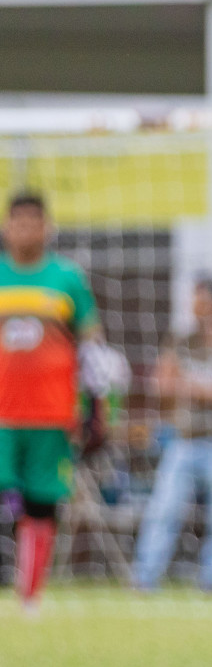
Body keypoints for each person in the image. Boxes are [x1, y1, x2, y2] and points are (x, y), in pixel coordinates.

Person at [0, 192, 103, 613]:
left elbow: (92, 345)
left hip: (51, 412)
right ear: (7, 226)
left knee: (42, 502)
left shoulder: (67, 278)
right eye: (18, 222)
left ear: (47, 227)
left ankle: (30, 595)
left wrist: (97, 409)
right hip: (3, 413)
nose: (26, 230)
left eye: (34, 222)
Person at [132, 279, 212, 591]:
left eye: (200, 300)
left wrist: (188, 384)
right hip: (185, 439)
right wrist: (206, 387)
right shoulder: (181, 340)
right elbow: (160, 385)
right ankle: (144, 577)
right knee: (164, 510)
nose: (193, 307)